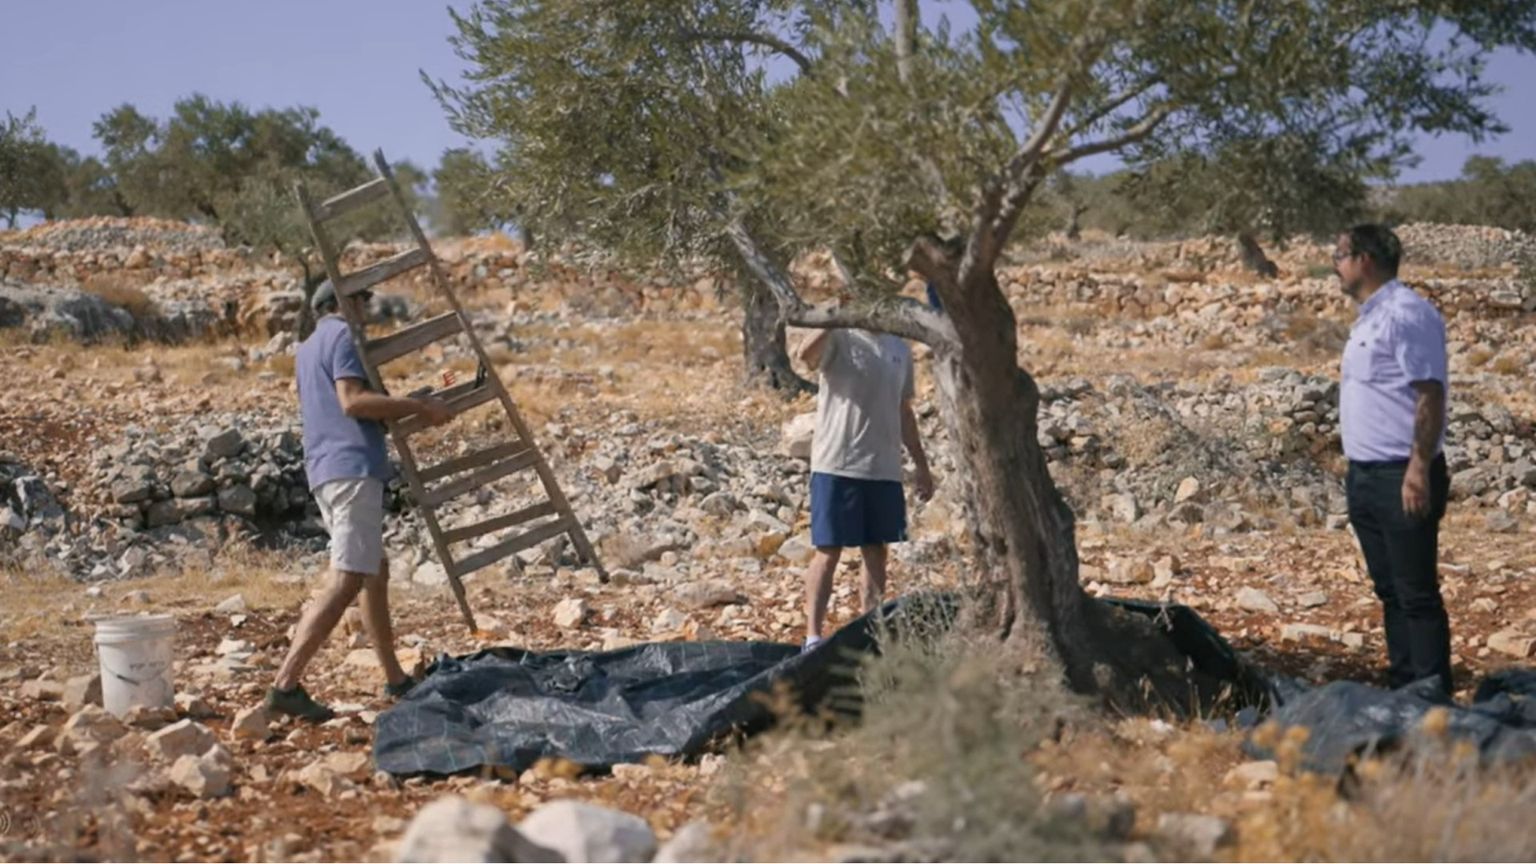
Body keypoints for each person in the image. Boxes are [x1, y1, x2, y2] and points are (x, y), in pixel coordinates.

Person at [265, 280, 451, 721]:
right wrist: (420, 408)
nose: (366, 308)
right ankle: (285, 685)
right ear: (340, 303)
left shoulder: (307, 347)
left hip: (326, 468)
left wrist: (406, 403)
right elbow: (352, 402)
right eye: (360, 300)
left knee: (373, 571)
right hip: (352, 468)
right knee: (348, 578)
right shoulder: (344, 335)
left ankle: (395, 677)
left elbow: (340, 407)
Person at [1334, 224, 1453, 695]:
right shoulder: (1370, 317)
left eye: (1340, 255)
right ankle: (1405, 687)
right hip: (1365, 475)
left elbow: (1429, 394)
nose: (1335, 265)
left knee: (1416, 593)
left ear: (1364, 260)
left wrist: (1418, 469)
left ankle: (1431, 694)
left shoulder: (1406, 314)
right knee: (1389, 590)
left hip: (1401, 475)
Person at [797, 327, 933, 652]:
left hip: (884, 467)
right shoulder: (840, 336)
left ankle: (871, 633)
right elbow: (805, 355)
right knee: (829, 549)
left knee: (876, 551)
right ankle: (813, 637)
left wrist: (921, 465)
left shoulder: (899, 348)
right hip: (837, 462)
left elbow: (904, 410)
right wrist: (835, 314)